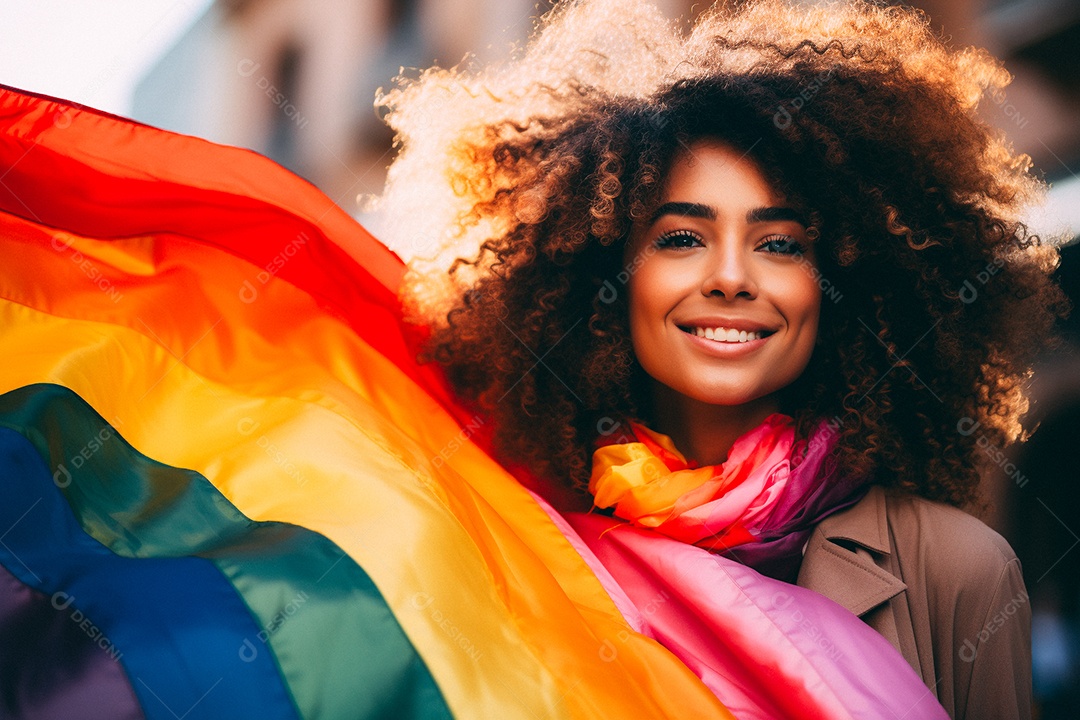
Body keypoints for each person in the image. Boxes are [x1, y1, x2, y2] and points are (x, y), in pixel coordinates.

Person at [372, 0, 1068, 717]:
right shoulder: (522, 542)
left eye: (780, 245)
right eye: (681, 239)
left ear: (843, 286)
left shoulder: (959, 570)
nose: (732, 276)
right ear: (605, 278)